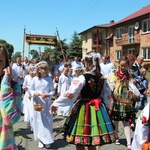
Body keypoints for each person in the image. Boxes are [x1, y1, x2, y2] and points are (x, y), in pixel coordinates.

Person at [51, 55, 115, 150]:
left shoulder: (83, 77)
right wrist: (108, 108)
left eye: (85, 62)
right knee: (92, 139)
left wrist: (56, 103)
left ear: (87, 63)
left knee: (80, 139)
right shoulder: (102, 78)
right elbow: (107, 95)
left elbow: (71, 92)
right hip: (98, 109)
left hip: (84, 108)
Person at [105, 56, 140, 150]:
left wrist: (134, 93)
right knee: (115, 120)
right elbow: (110, 86)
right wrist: (110, 95)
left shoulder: (128, 75)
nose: (123, 68)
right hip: (116, 99)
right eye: (121, 66)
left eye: (125, 66)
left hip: (125, 99)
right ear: (118, 64)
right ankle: (116, 137)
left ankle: (129, 143)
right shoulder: (113, 74)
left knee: (126, 121)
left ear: (128, 65)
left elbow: (131, 86)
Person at [0, 44, 22, 150]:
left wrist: (5, 85)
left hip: (4, 143)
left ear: (6, 65)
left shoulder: (13, 87)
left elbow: (10, 119)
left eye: (0, 61)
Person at [29, 61, 55, 149]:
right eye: (44, 69)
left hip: (46, 103)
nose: (46, 70)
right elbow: (30, 89)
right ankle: (40, 139)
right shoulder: (35, 79)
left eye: (47, 68)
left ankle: (47, 139)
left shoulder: (49, 79)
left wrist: (48, 94)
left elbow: (52, 90)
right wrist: (34, 93)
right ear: (39, 70)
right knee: (39, 120)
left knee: (47, 120)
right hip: (37, 102)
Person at [22, 64, 36, 129]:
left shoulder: (36, 78)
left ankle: (34, 124)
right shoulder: (27, 77)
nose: (32, 73)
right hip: (28, 95)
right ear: (29, 71)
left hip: (34, 95)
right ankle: (30, 123)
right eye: (31, 71)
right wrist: (25, 87)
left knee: (33, 110)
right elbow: (24, 85)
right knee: (29, 109)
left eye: (33, 71)